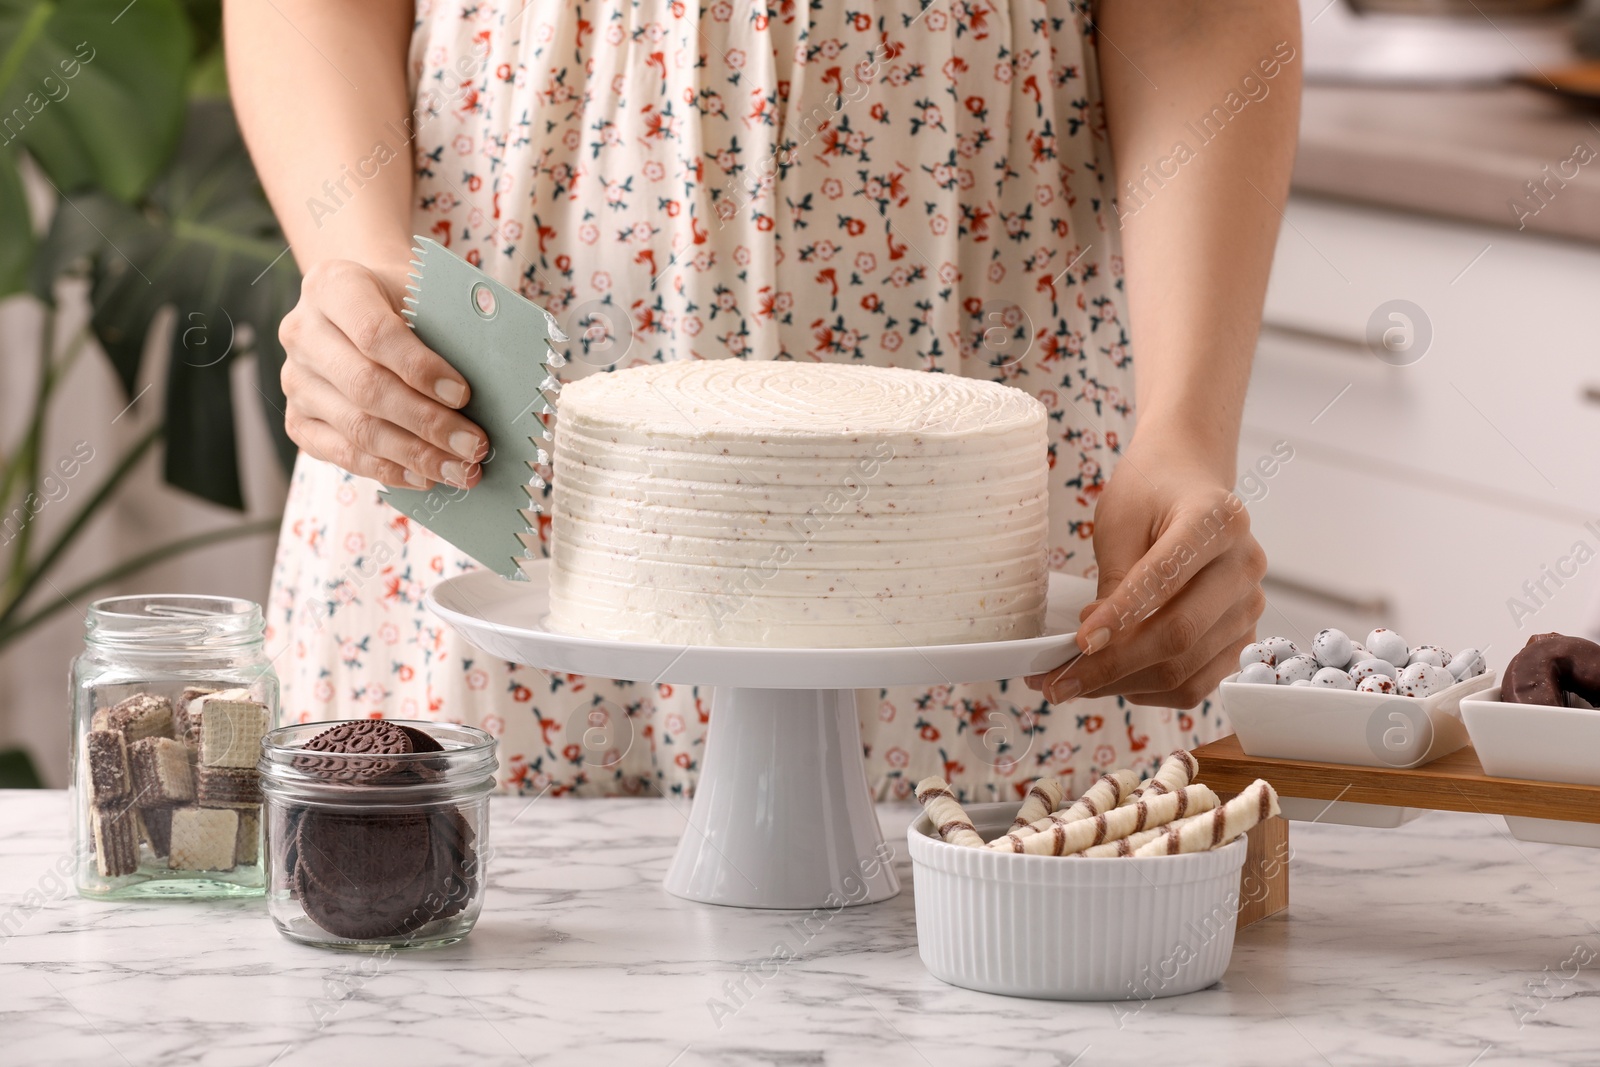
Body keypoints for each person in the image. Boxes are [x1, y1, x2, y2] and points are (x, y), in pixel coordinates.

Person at [226, 0, 1298, 801]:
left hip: (970, 505)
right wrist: (358, 265)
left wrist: (1186, 426)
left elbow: (1199, 17)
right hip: (469, 431)